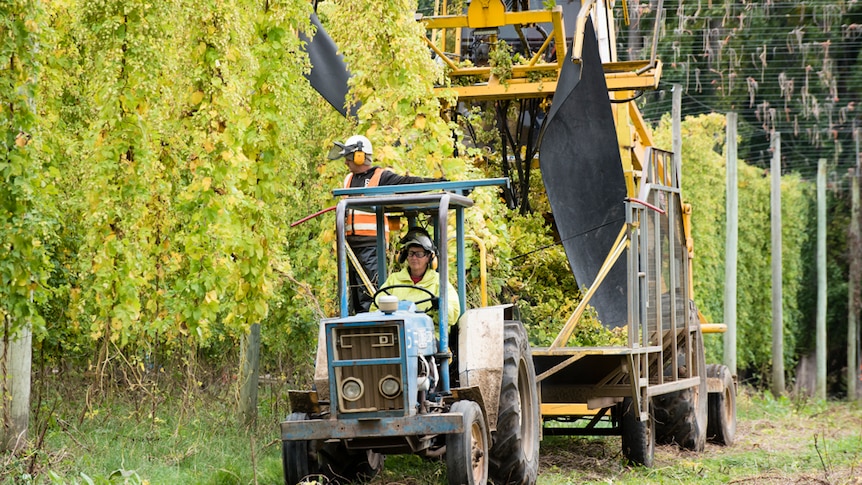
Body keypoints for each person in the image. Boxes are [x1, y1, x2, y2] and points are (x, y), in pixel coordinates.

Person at [328, 134, 444, 313]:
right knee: (355, 296)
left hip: (372, 245)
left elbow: (407, 183)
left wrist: (435, 184)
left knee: (370, 293)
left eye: (349, 157)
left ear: (360, 156)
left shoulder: (380, 176)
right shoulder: (348, 180)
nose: (346, 162)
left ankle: (372, 326)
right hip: (351, 247)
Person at [374, 227, 460, 327]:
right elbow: (375, 308)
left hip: (428, 333)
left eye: (419, 254)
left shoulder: (439, 282)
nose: (414, 258)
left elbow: (452, 317)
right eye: (411, 253)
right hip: (397, 331)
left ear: (429, 258)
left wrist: (439, 307)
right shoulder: (394, 280)